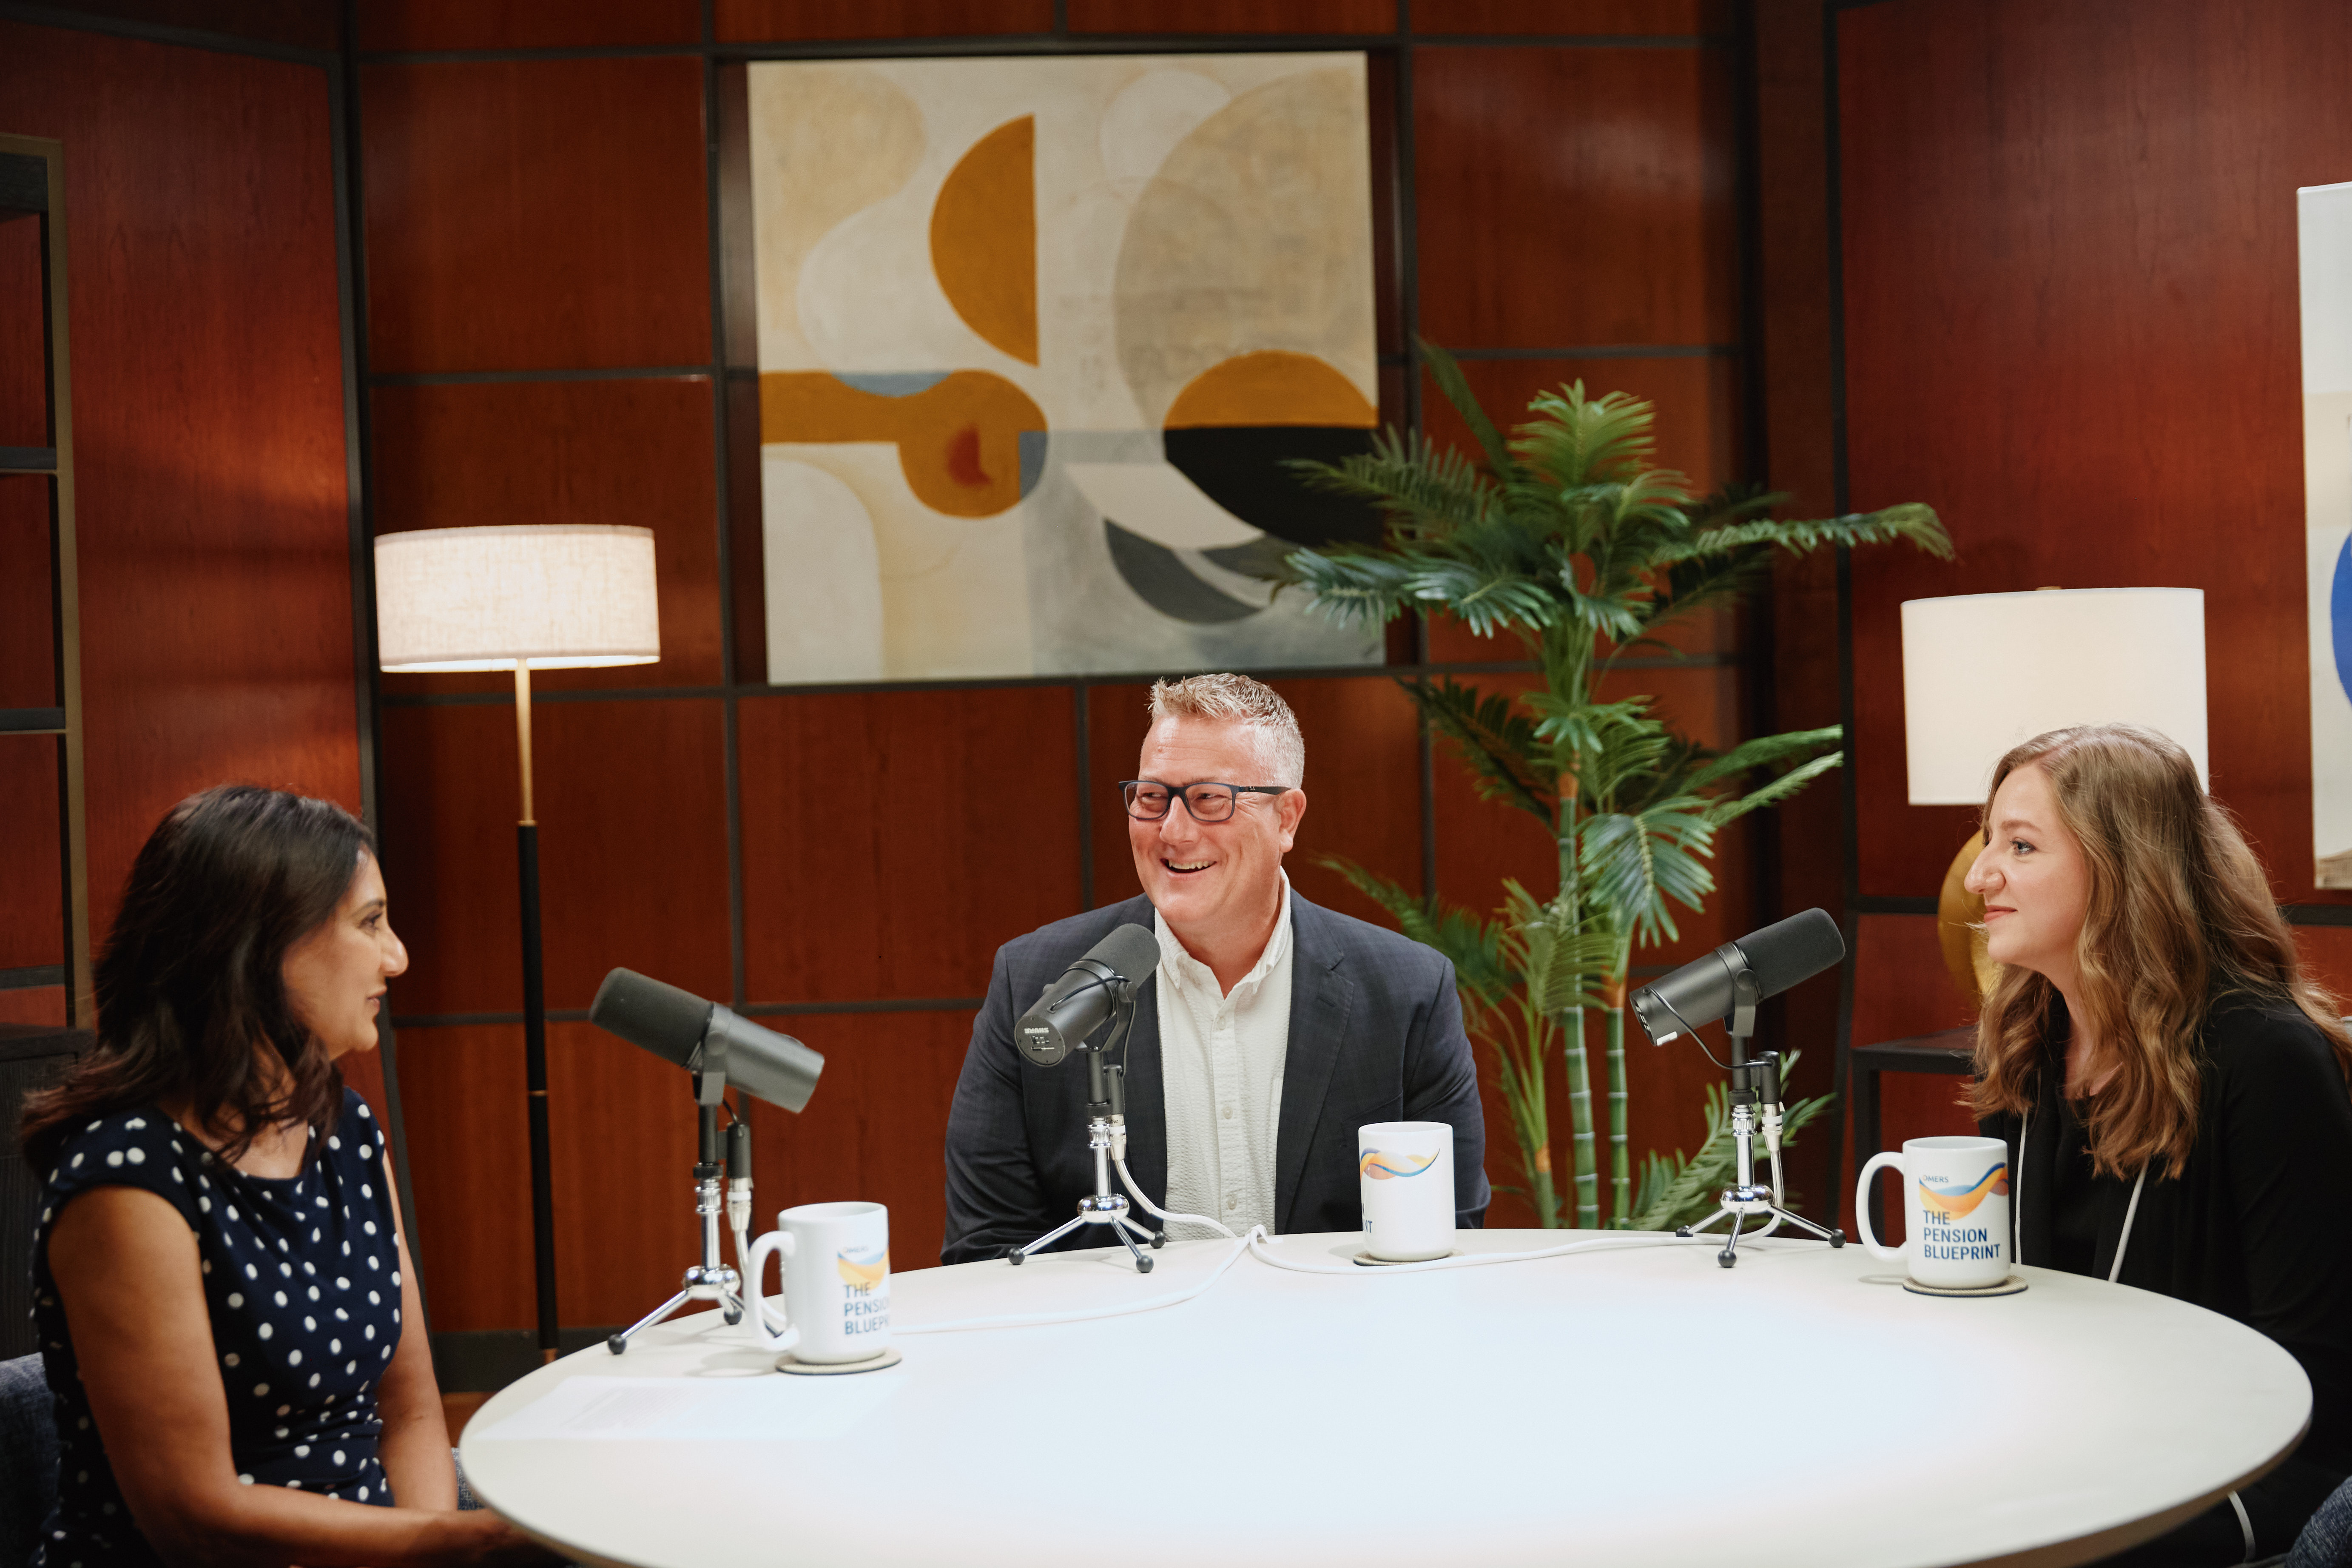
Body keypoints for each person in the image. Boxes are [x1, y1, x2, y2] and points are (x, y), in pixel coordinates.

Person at [20, 785, 554, 1567]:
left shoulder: (345, 1129)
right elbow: (195, 1519)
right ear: (263, 946)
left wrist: (428, 1554)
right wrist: (462, 1544)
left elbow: (409, 1412)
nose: (397, 956)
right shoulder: (128, 1183)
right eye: (371, 922)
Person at [1963, 725, 2352, 1565]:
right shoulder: (2026, 1046)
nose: (1978, 874)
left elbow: (2321, 1391)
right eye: (1989, 840)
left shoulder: (2264, 1056)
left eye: (2019, 845)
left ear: (2121, 866)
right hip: (2066, 1459)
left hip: (2236, 1482)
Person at [942, 673, 1488, 1264]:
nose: (1173, 832)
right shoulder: (1034, 982)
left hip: (1336, 1322)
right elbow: (987, 1250)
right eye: (1152, 798)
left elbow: (1446, 1237)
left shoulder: (1407, 993)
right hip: (1117, 1324)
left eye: (1209, 799)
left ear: (1286, 818)